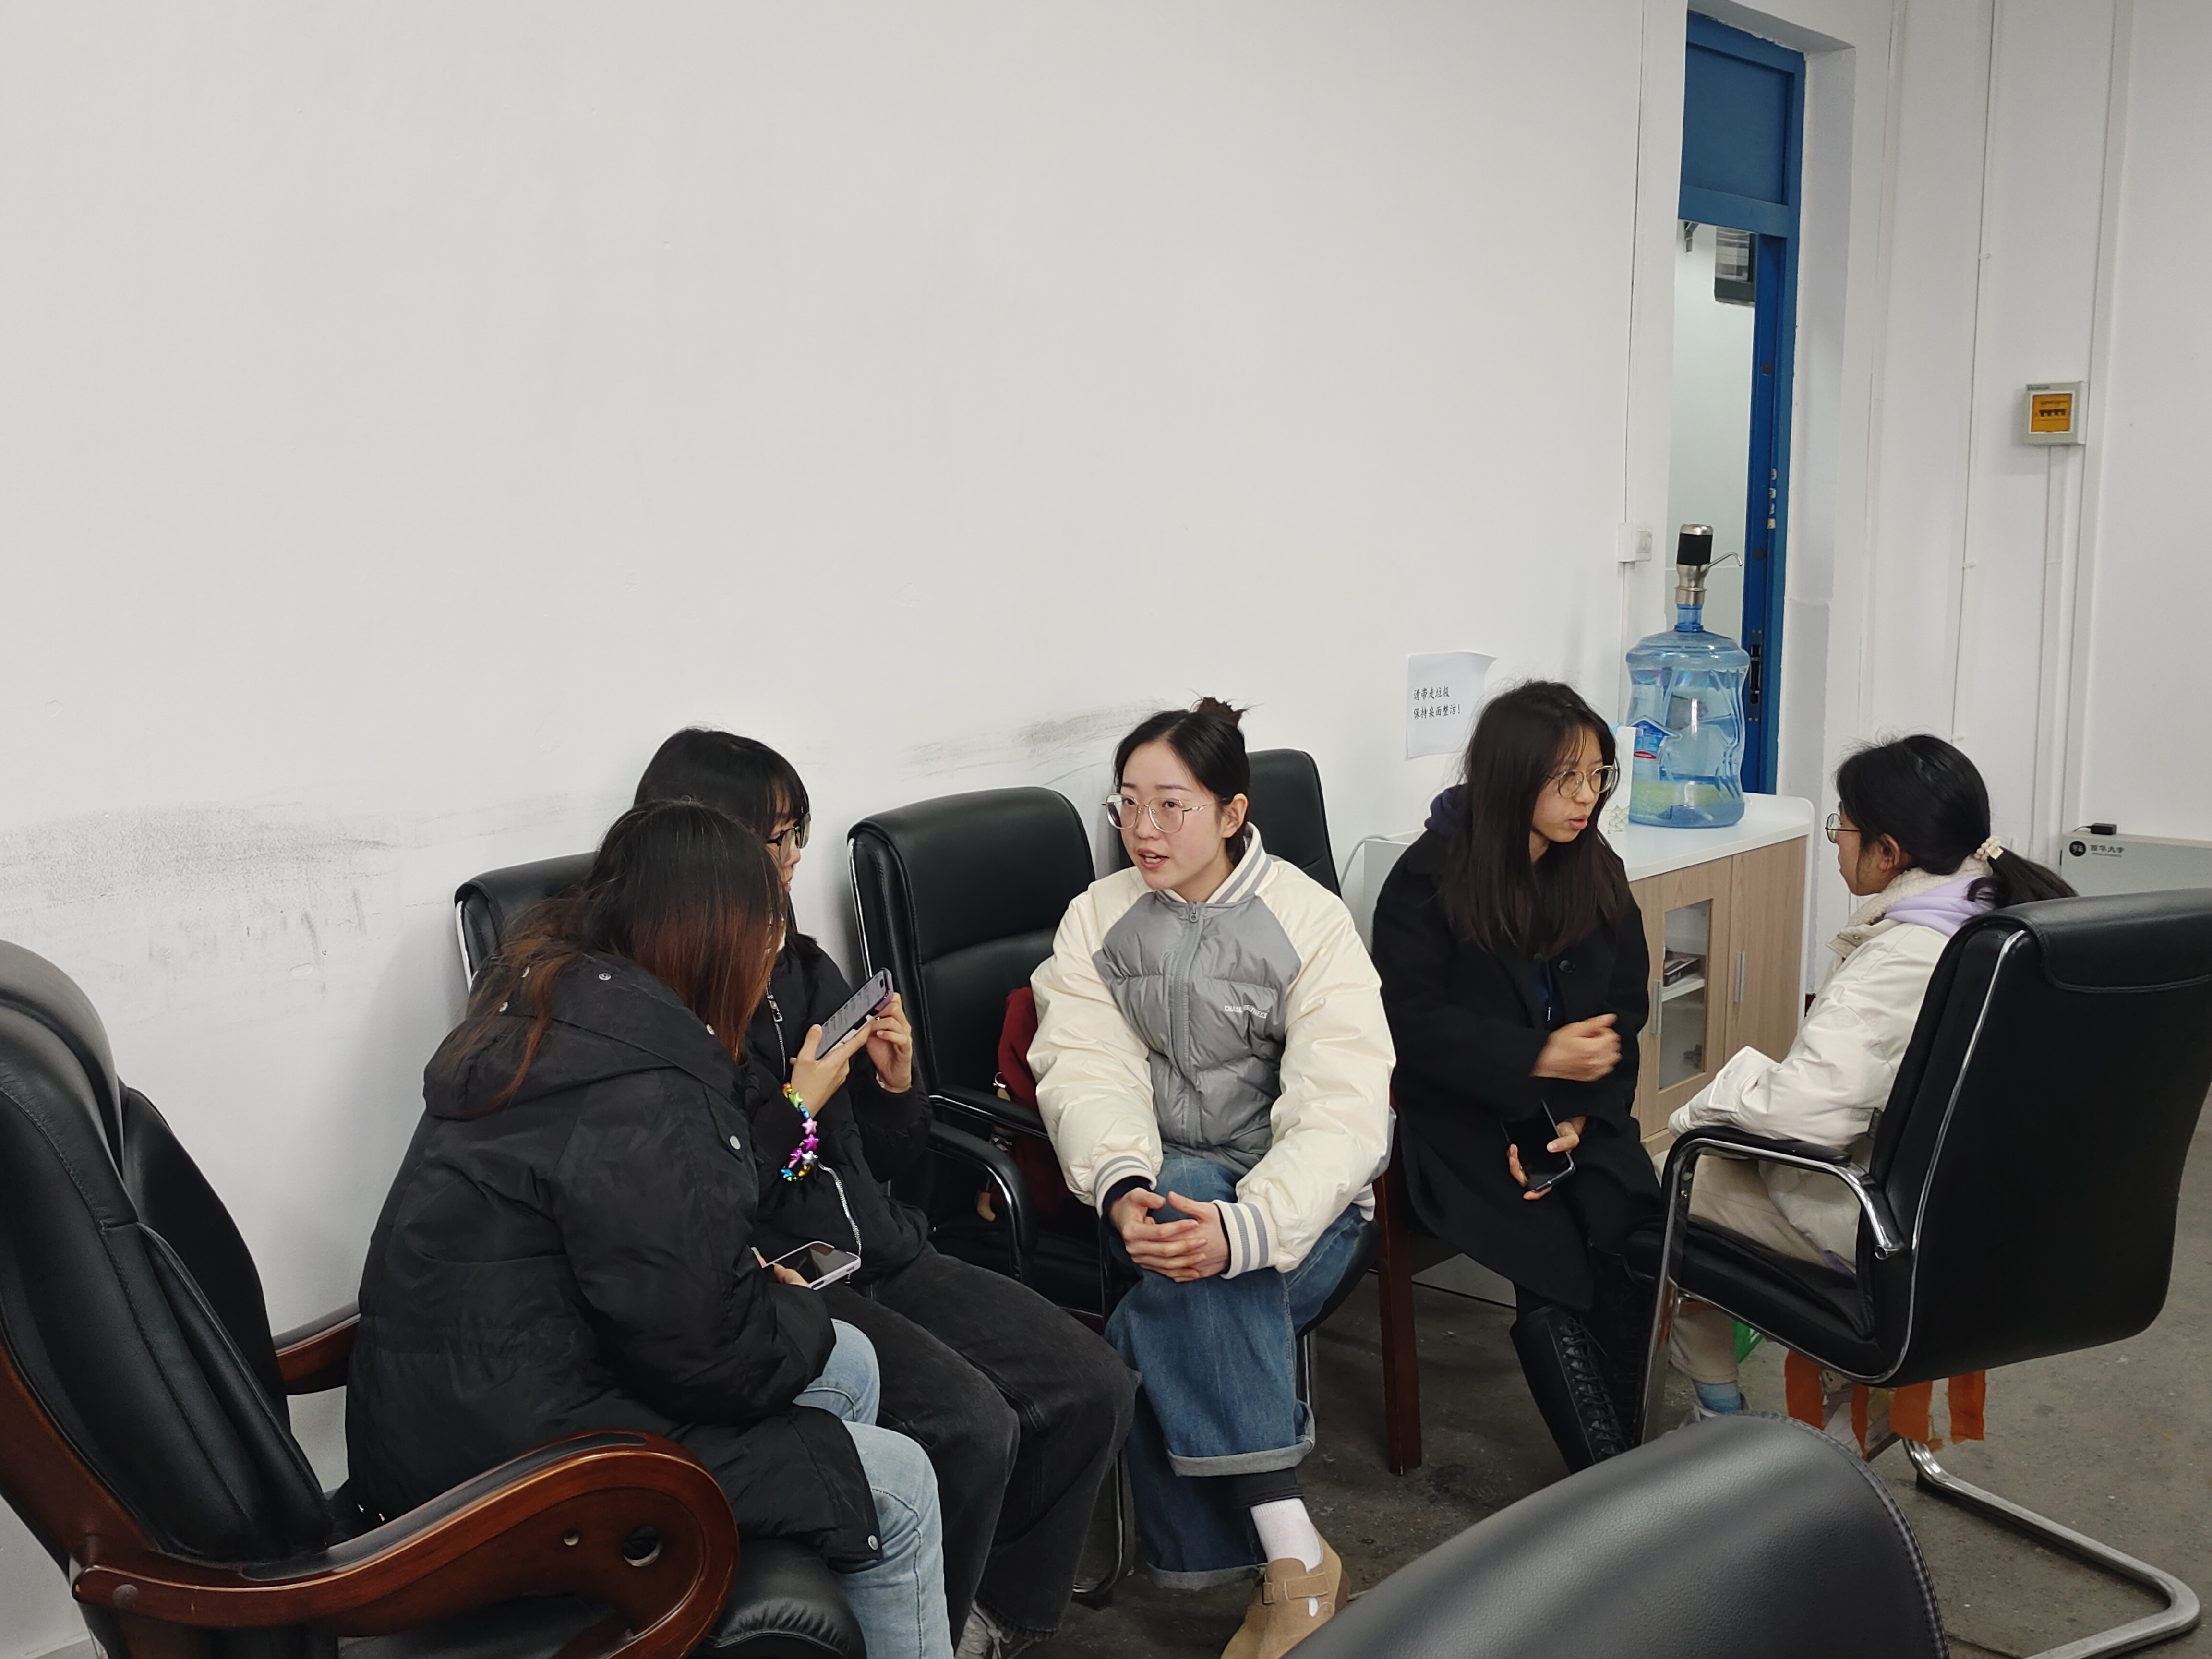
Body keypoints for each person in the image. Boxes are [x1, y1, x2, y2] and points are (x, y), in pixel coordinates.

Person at [346, 801, 953, 1659]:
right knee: (900, 1487)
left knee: (848, 1363)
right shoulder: (646, 1083)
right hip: (523, 1480)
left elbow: (640, 1264)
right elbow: (717, 1360)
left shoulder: (545, 1012)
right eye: (766, 937)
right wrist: (788, 1304)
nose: (771, 959)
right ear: (714, 941)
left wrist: (763, 1297)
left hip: (452, 1426)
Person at [634, 728, 1137, 1659]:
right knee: (972, 1427)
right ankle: (926, 1627)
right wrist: (796, 1107)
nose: (794, 858)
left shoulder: (804, 971)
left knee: (1093, 1384)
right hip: (794, 1279)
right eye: (776, 838)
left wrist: (897, 1087)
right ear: (708, 844)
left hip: (884, 1245)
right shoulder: (674, 1014)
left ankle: (994, 1619)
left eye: (799, 833)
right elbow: (727, 1202)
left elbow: (889, 1161)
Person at [1029, 698, 1394, 1659]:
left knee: (1162, 1307)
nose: (1143, 829)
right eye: (1127, 804)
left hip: (1302, 1215)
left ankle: (1284, 1562)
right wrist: (1121, 1188)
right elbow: (1084, 1069)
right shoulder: (1098, 918)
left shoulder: (1309, 921)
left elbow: (1343, 1108)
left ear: (1233, 813)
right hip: (1155, 1202)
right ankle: (1294, 1557)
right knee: (1184, 1196)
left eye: (1172, 805)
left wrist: (1244, 1230)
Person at [1663, 734, 2074, 1416]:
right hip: (2005, 1221)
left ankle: (1719, 1420)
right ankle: (1849, 1416)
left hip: (1892, 1231)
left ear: (1889, 852)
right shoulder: (2009, 914)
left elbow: (1806, 1118)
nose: (1835, 844)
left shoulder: (1902, 957)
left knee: (1669, 1177)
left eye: (1843, 828)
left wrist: (1710, 1103)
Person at [1370, 680, 1659, 1471]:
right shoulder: (1429, 879)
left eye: (1598, 776)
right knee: (1550, 1256)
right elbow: (1410, 1029)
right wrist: (1535, 1059)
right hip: (1455, 1117)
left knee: (1633, 1231)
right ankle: (1609, 1478)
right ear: (1510, 776)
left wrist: (1584, 1112)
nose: (1587, 798)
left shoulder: (1594, 867)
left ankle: (1631, 1454)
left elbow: (1623, 1013)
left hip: (1574, 1108)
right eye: (1566, 778)